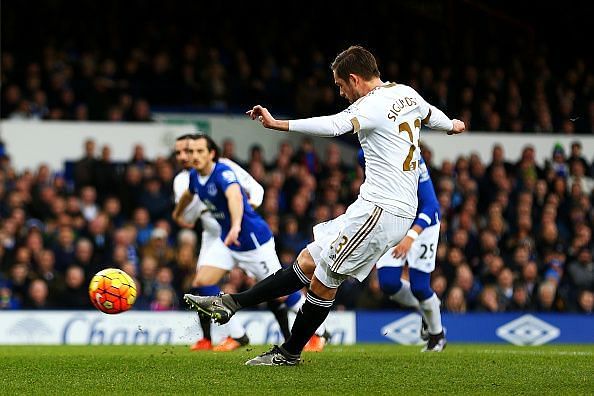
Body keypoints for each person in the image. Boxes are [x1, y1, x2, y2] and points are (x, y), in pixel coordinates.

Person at [184, 45, 464, 365]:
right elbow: (432, 114)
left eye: (340, 85)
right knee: (307, 260)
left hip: (382, 210)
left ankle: (289, 353)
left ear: (355, 79)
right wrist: (452, 124)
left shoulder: (369, 105)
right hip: (374, 207)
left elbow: (333, 126)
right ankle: (230, 303)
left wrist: (279, 124)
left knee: (325, 279)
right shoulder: (406, 94)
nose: (341, 92)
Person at [173, 134, 303, 351]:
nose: (192, 156)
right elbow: (189, 194)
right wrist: (177, 214)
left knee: (282, 290)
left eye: (198, 151)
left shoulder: (223, 172)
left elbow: (234, 196)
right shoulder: (195, 177)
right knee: (202, 282)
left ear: (211, 153)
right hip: (227, 240)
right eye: (190, 152)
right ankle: (237, 335)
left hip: (252, 240)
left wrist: (235, 226)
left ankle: (320, 331)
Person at [367, 148, 446, 352]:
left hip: (423, 226)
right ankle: (430, 306)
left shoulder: (413, 159)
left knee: (420, 287)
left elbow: (432, 206)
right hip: (394, 220)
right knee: (388, 283)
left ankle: (437, 337)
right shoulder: (367, 153)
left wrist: (411, 237)